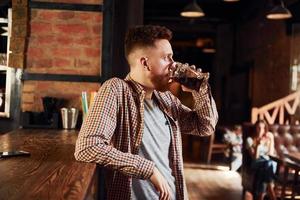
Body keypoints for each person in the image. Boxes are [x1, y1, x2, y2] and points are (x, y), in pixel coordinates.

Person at [74, 25, 218, 200]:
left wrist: (200, 90)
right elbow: (87, 147)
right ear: (145, 63)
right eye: (167, 58)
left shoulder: (166, 99)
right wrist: (147, 169)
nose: (174, 65)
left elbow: (204, 127)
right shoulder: (116, 90)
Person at [246, 120, 277, 200]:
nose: (261, 130)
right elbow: (255, 157)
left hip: (267, 163)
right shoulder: (250, 140)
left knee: (267, 166)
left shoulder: (267, 139)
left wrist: (272, 139)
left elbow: (270, 154)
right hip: (256, 162)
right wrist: (257, 146)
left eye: (263, 128)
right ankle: (271, 190)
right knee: (268, 164)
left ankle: (261, 196)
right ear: (255, 128)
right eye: (259, 128)